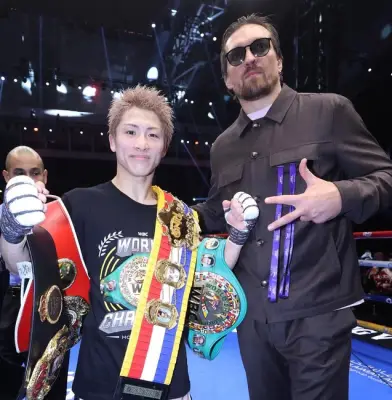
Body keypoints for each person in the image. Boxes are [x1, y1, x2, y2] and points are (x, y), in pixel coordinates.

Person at [0, 85, 258, 400]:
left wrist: (239, 233)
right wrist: (12, 227)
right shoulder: (80, 205)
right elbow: (21, 265)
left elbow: (207, 280)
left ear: (164, 146)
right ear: (112, 140)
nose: (141, 143)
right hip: (99, 388)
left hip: (171, 388)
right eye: (131, 131)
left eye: (153, 135)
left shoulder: (180, 216)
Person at [192, 14, 392, 400]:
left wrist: (339, 196)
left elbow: (388, 178)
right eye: (236, 55)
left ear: (279, 60)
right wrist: (172, 213)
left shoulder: (330, 111)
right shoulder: (223, 146)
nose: (249, 58)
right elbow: (218, 209)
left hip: (318, 314)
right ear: (227, 79)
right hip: (251, 319)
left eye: (259, 47)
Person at [0, 146, 48, 400]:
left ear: (45, 176)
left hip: (49, 307)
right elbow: (12, 266)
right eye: (20, 173)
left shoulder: (59, 215)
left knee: (49, 380)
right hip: (10, 306)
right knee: (8, 383)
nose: (29, 179)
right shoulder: (1, 215)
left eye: (35, 173)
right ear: (6, 176)